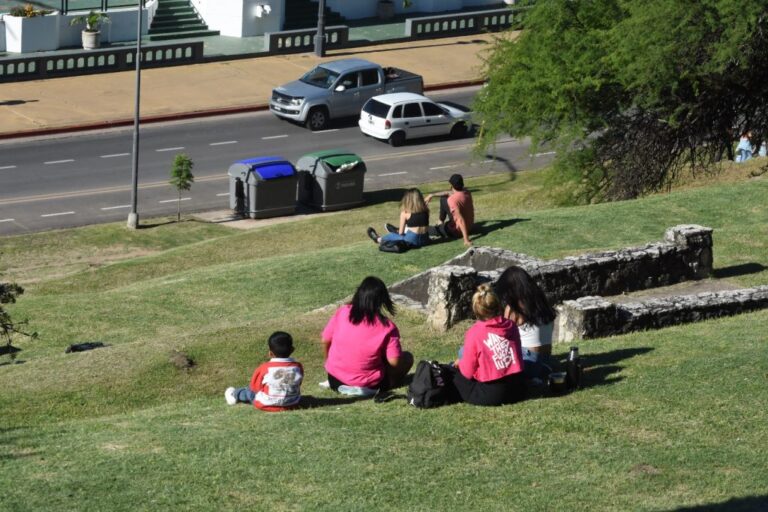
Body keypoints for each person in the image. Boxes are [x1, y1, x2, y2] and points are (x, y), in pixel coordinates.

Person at [320, 276, 414, 396]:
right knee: (407, 358)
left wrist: (329, 362)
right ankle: (389, 384)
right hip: (369, 384)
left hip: (335, 380)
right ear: (382, 300)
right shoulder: (387, 327)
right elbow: (395, 362)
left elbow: (325, 340)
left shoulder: (343, 311)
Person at [448, 283, 525, 406]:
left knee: (454, 374)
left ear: (476, 310)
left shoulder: (474, 333)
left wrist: (460, 364)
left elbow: (467, 373)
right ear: (498, 305)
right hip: (518, 388)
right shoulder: (511, 326)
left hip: (492, 393)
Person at [494, 266, 557, 382]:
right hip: (546, 361)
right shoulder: (542, 301)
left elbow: (503, 339)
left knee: (465, 351)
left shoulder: (515, 308)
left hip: (527, 361)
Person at [224, 331, 303, 412]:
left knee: (249, 392)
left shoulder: (265, 368)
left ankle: (234, 394)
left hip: (266, 404)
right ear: (292, 350)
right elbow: (298, 383)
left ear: (270, 353)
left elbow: (254, 388)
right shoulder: (298, 366)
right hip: (292, 404)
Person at [425, 173, 474, 247]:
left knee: (432, 230)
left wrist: (466, 240)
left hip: (457, 231)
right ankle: (441, 220)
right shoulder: (467, 192)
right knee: (443, 198)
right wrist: (432, 195)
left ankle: (409, 229)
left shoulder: (452, 199)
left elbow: (460, 220)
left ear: (451, 185)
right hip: (470, 227)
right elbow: (448, 193)